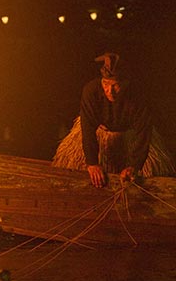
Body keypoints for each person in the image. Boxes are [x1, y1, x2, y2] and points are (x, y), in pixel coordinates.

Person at [53, 52, 174, 187]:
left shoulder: (138, 95)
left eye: (115, 85)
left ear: (126, 83)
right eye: (105, 84)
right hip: (101, 131)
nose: (110, 91)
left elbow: (143, 132)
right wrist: (92, 163)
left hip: (130, 134)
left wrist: (134, 166)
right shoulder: (91, 91)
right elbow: (87, 128)